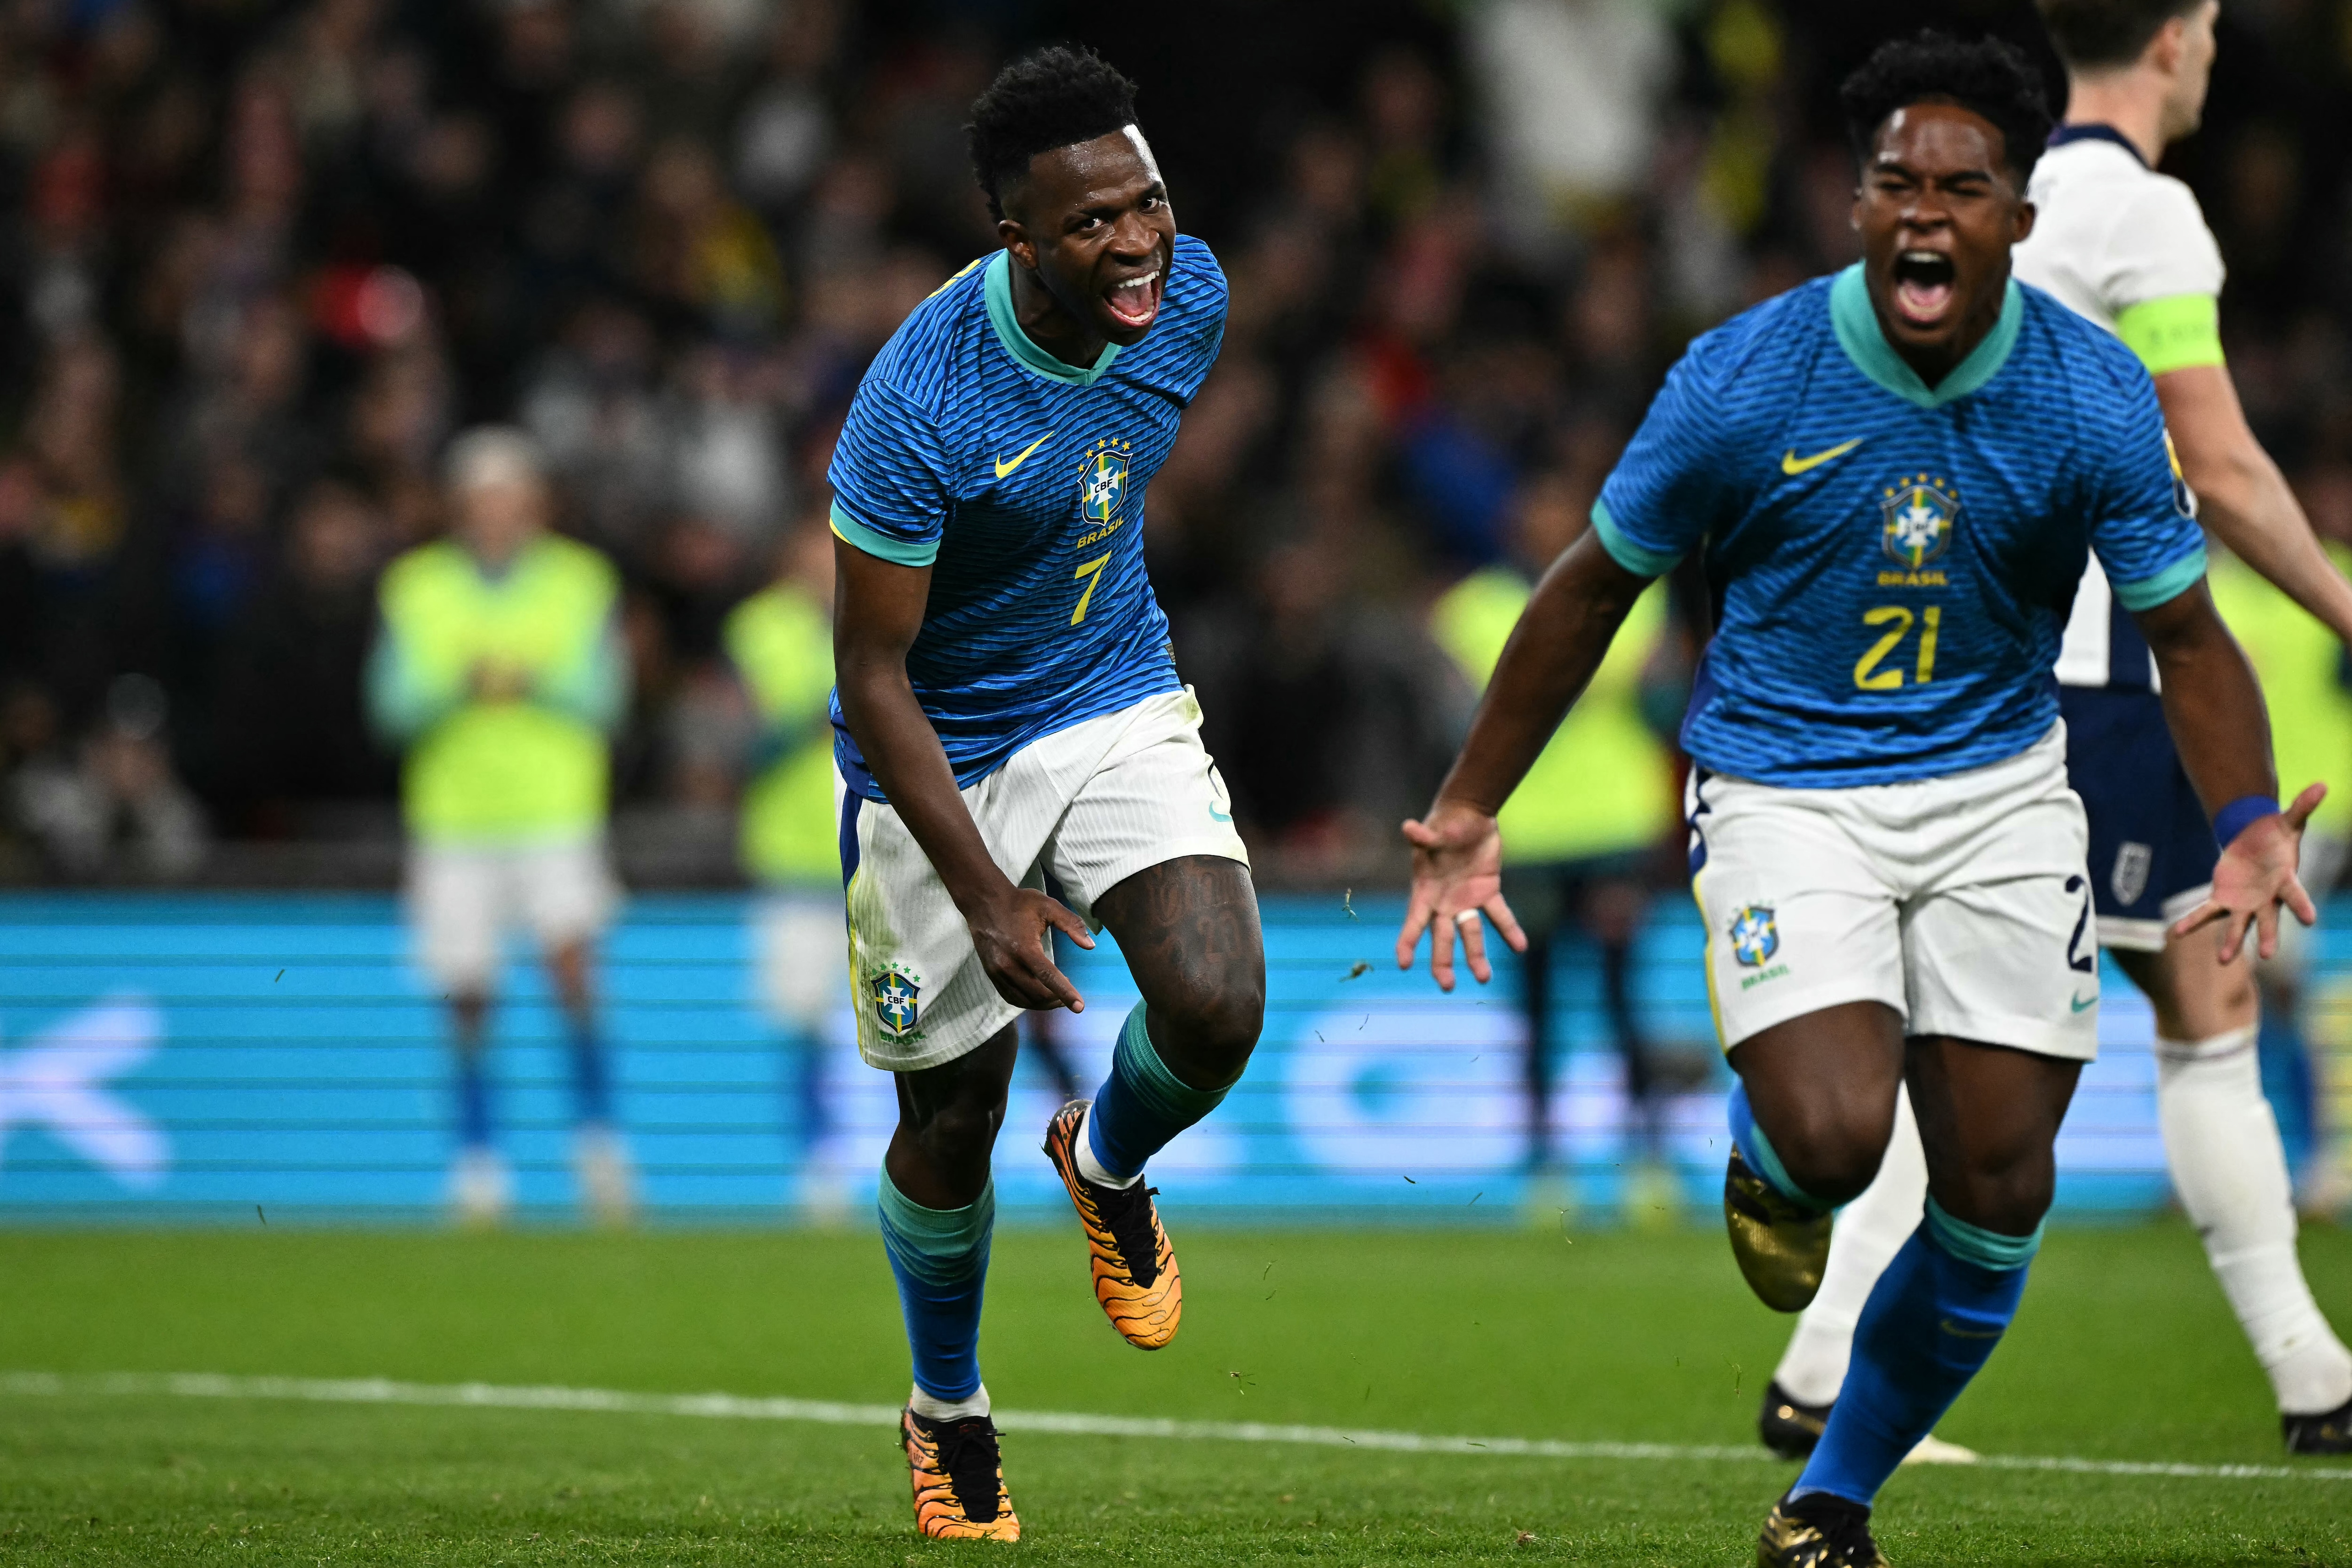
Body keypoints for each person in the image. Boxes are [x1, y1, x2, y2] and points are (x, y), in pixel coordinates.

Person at [1396, 32, 2317, 1566]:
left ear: (2020, 218)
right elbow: (1591, 587)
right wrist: (1472, 803)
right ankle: (1772, 1150)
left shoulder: (2091, 392)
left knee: (1999, 1188)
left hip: (2004, 791)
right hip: (1787, 786)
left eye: (1962, 187)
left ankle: (1828, 1500)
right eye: (1896, 182)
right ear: (1856, 204)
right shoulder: (1745, 375)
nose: (1923, 212)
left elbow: (2189, 632)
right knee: (1835, 1135)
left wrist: (2244, 819)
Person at [1762, 0, 2352, 1464]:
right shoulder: (2144, 215)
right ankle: (2312, 1373)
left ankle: (1826, 1362)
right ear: (2175, 38)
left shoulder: (1987, 193)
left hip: (1954, 652)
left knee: (1980, 1028)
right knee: (2189, 1007)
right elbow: (2216, 462)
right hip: (2092, 665)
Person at [826, 47, 1261, 1541]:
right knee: (953, 1114)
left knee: (1217, 1001)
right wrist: (986, 891)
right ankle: (947, 1404)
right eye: (1092, 224)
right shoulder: (919, 402)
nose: (1137, 243)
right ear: (1017, 238)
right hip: (938, 753)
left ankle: (1109, 1156)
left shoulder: (1188, 297)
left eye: (1147, 203)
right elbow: (873, 675)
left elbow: (1104, 478)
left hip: (1110, 692)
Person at [369, 428, 636, 1228]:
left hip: (556, 811)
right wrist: (464, 682)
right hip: (454, 819)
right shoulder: (415, 585)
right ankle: (478, 1162)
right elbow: (389, 705)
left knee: (575, 978)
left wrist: (526, 679)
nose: (496, 512)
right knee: (466, 993)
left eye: (510, 497)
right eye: (482, 498)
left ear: (536, 504)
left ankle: (599, 1150)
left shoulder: (581, 580)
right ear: (459, 506)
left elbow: (607, 696)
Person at [1429, 470, 1679, 1202]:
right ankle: (1546, 1164)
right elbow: (1456, 716)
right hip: (1524, 833)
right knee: (1536, 1005)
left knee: (1621, 995)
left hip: (1614, 826)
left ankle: (1647, 1158)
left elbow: (1665, 697)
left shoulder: (1634, 592)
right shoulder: (1472, 607)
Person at [723, 519, 851, 1222]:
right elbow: (738, 739)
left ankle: (908, 1161)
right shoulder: (754, 630)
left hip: (883, 849)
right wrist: (824, 712)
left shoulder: (894, 608)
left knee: (904, 1016)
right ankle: (817, 1162)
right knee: (803, 1018)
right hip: (793, 862)